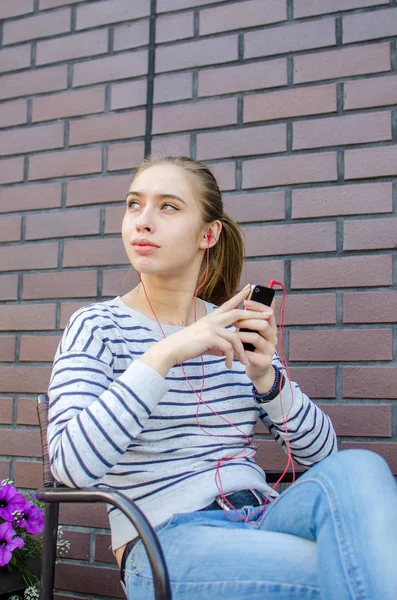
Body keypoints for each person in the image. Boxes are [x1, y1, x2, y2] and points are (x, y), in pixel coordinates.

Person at [48, 156, 397, 600]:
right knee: (346, 569)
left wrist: (266, 377)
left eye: (168, 207)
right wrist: (165, 353)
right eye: (135, 204)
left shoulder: (232, 326)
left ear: (207, 234)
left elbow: (322, 454)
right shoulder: (97, 327)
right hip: (166, 541)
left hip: (264, 515)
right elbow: (70, 466)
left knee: (360, 469)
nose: (144, 221)